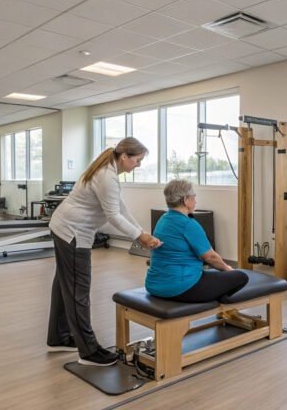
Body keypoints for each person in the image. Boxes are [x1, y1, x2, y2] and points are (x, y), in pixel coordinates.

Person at [47, 137, 161, 367]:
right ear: (125, 156)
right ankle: (88, 351)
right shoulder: (107, 176)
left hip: (64, 228)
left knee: (64, 285)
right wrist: (140, 237)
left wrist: (141, 231)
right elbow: (113, 216)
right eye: (137, 160)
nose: (138, 165)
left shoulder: (108, 169)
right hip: (73, 233)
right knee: (78, 290)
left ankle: (59, 336)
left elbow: (120, 207)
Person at [145, 179, 248, 303]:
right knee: (241, 276)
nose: (195, 200)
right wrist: (229, 269)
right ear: (185, 200)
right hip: (182, 288)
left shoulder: (163, 219)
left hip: (154, 286)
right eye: (194, 197)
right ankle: (225, 309)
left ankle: (226, 310)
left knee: (215, 274)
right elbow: (211, 258)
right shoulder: (188, 224)